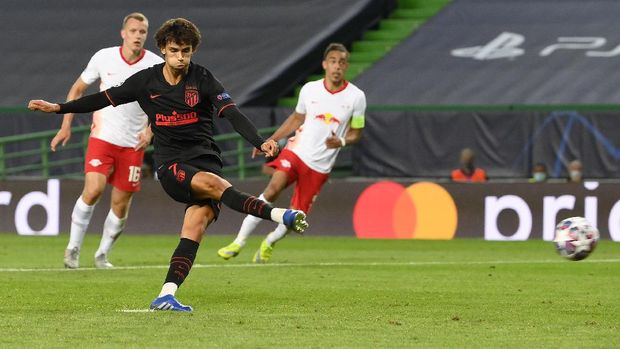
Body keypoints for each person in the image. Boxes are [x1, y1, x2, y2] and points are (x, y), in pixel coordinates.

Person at [28, 18, 308, 312]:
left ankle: (167, 293)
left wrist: (258, 141)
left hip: (206, 160)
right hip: (172, 165)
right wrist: (59, 107)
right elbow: (102, 99)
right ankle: (281, 215)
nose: (180, 57)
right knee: (214, 186)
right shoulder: (145, 81)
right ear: (162, 49)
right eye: (174, 50)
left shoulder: (202, 78)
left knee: (195, 226)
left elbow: (232, 112)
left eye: (186, 51)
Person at [218, 43, 366, 263]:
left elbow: (357, 133)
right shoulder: (310, 89)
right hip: (297, 152)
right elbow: (297, 118)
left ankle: (269, 241)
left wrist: (342, 140)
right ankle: (238, 242)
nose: (337, 66)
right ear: (325, 64)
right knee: (272, 189)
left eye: (342, 62)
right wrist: (270, 141)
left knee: (297, 216)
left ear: (346, 66)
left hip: (320, 166)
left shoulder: (356, 97)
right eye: (333, 61)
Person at [53, 13, 163, 269]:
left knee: (120, 204)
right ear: (123, 33)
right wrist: (65, 125)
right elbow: (78, 89)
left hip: (133, 143)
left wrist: (150, 131)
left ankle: (102, 254)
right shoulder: (104, 57)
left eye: (142, 32)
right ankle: (73, 249)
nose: (138, 35)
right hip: (103, 137)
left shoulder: (156, 65)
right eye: (133, 30)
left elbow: (161, 104)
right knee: (93, 190)